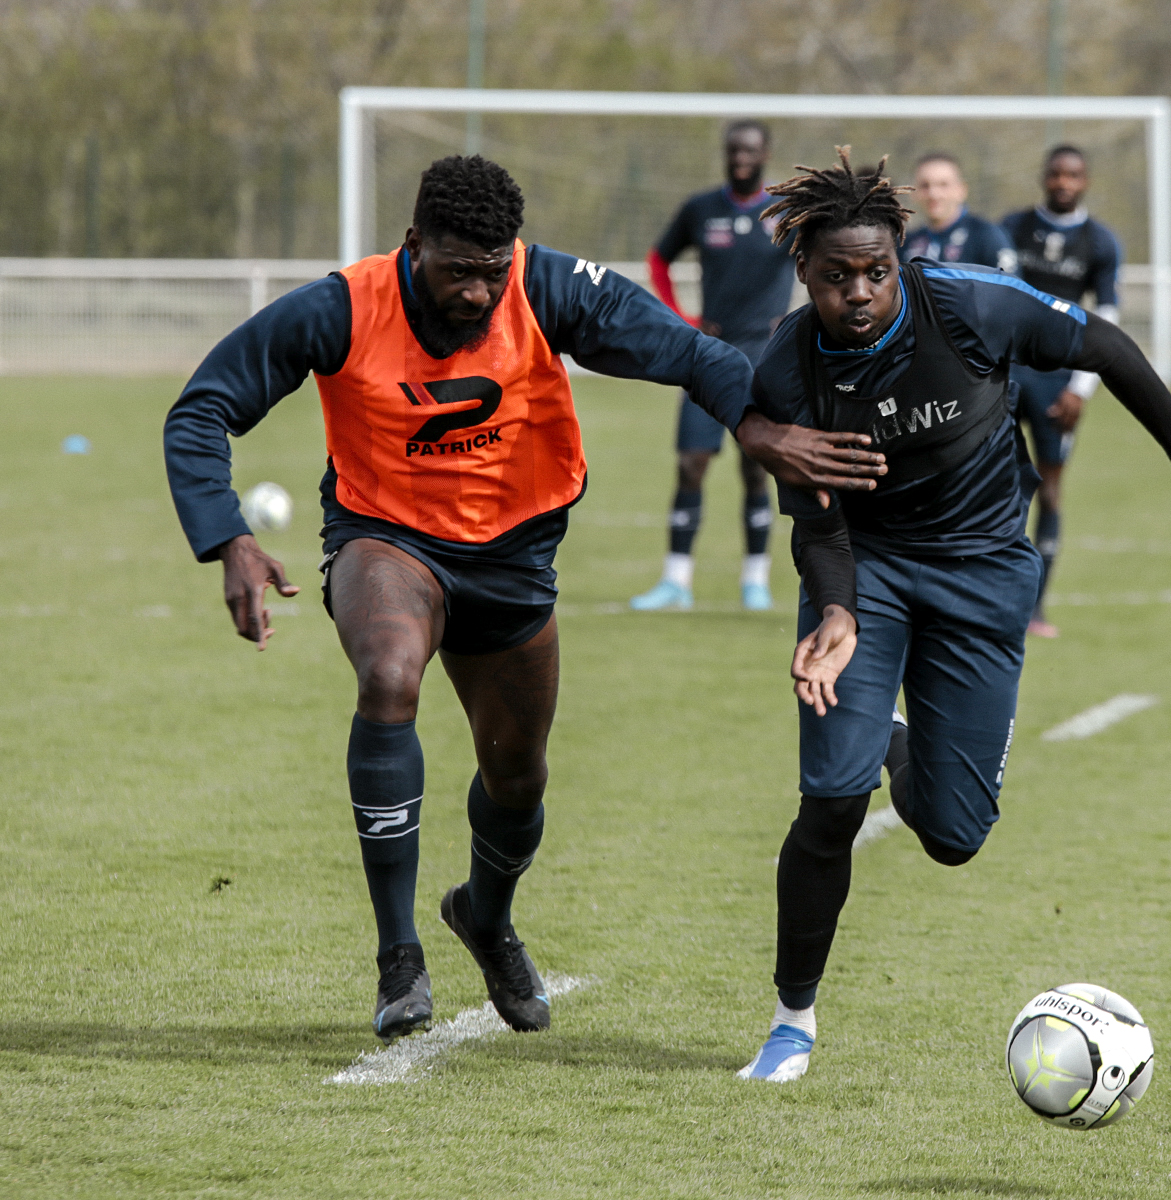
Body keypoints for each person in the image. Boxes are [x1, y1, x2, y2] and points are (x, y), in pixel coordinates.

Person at [163, 155, 886, 1043]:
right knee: (389, 675)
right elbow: (201, 408)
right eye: (456, 271)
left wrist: (761, 428)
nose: (476, 293)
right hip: (386, 536)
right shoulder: (341, 307)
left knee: (518, 775)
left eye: (491, 271)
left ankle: (485, 915)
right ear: (413, 244)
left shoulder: (548, 287)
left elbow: (689, 352)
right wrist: (226, 536)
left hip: (513, 556)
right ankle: (399, 961)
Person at [734, 149, 1171, 1083]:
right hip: (870, 577)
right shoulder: (784, 368)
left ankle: (895, 744)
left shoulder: (972, 305)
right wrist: (840, 611)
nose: (859, 292)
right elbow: (816, 526)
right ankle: (791, 1022)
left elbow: (1104, 346)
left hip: (981, 576)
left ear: (904, 259)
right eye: (836, 276)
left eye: (877, 271)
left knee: (955, 834)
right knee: (832, 800)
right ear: (803, 274)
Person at [632, 120, 796, 612]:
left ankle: (755, 581)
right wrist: (683, 321)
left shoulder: (785, 212)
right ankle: (676, 582)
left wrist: (794, 323)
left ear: (765, 152)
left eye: (749, 149)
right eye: (733, 150)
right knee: (691, 464)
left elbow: (821, 260)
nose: (740, 157)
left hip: (764, 356)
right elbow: (658, 261)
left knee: (755, 466)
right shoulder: (701, 209)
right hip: (709, 353)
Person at [1000, 144, 1123, 638]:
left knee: (1050, 491)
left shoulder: (1101, 242)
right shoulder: (1011, 227)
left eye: (1073, 175)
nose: (1063, 183)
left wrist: (1082, 388)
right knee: (1000, 488)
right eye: (1055, 174)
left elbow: (1109, 316)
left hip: (1059, 379)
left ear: (1086, 180)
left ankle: (1035, 608)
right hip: (1010, 371)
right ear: (1043, 177)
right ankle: (992, 601)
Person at [898, 152, 1016, 272]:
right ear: (913, 192)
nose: (933, 194)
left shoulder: (986, 236)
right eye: (925, 186)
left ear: (961, 190)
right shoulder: (906, 244)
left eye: (943, 185)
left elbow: (1011, 287)